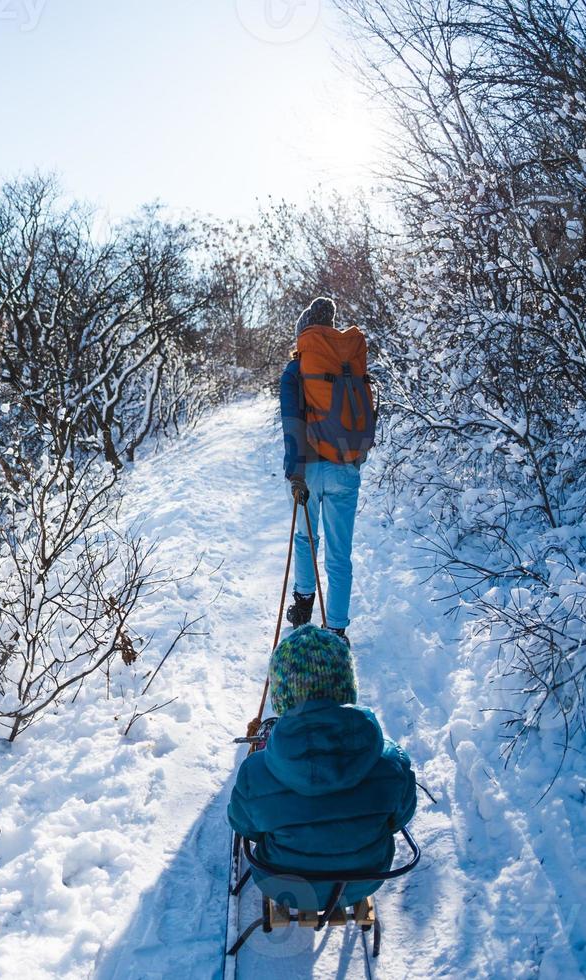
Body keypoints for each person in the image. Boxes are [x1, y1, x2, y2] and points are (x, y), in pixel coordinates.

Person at [226, 625, 417, 912]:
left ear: (283, 694)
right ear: (347, 686)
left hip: (283, 883)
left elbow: (244, 826)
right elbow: (400, 818)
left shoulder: (255, 772)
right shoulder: (391, 762)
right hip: (362, 881)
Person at [280, 296, 373, 643]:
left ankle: (303, 603)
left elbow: (293, 425)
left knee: (306, 537)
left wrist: (295, 474)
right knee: (339, 551)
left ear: (303, 332)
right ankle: (336, 628)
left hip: (310, 470)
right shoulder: (346, 364)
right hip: (345, 467)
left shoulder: (296, 370)